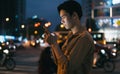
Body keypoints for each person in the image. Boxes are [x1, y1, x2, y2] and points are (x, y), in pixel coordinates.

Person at [45, 0, 95, 74]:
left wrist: (55, 44)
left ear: (74, 15)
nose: (62, 21)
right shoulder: (70, 35)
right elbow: (60, 63)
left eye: (64, 17)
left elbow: (67, 68)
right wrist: (52, 44)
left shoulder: (84, 38)